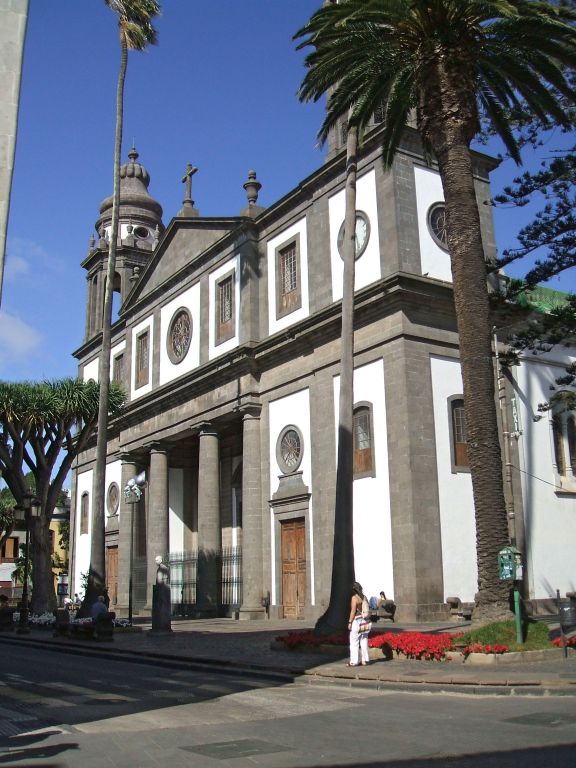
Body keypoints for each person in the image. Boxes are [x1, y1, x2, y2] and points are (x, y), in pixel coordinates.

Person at [347, 581, 371, 667]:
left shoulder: (354, 598)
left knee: (354, 641)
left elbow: (353, 611)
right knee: (364, 640)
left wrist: (350, 622)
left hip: (356, 621)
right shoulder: (364, 597)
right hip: (364, 621)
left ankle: (354, 661)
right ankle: (365, 660)